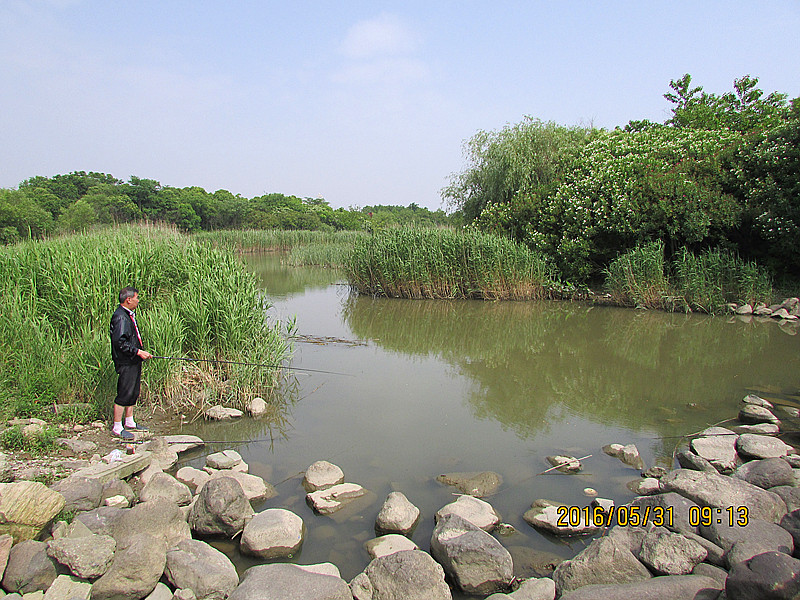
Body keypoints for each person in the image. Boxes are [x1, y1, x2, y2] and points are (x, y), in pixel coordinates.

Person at [109, 286, 152, 439]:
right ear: (128, 299)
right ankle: (117, 426)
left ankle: (129, 422)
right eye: (136, 298)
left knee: (133, 390)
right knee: (125, 391)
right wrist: (138, 351)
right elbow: (119, 343)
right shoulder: (120, 316)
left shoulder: (128, 315)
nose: (138, 300)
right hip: (126, 361)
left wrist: (138, 353)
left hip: (133, 359)